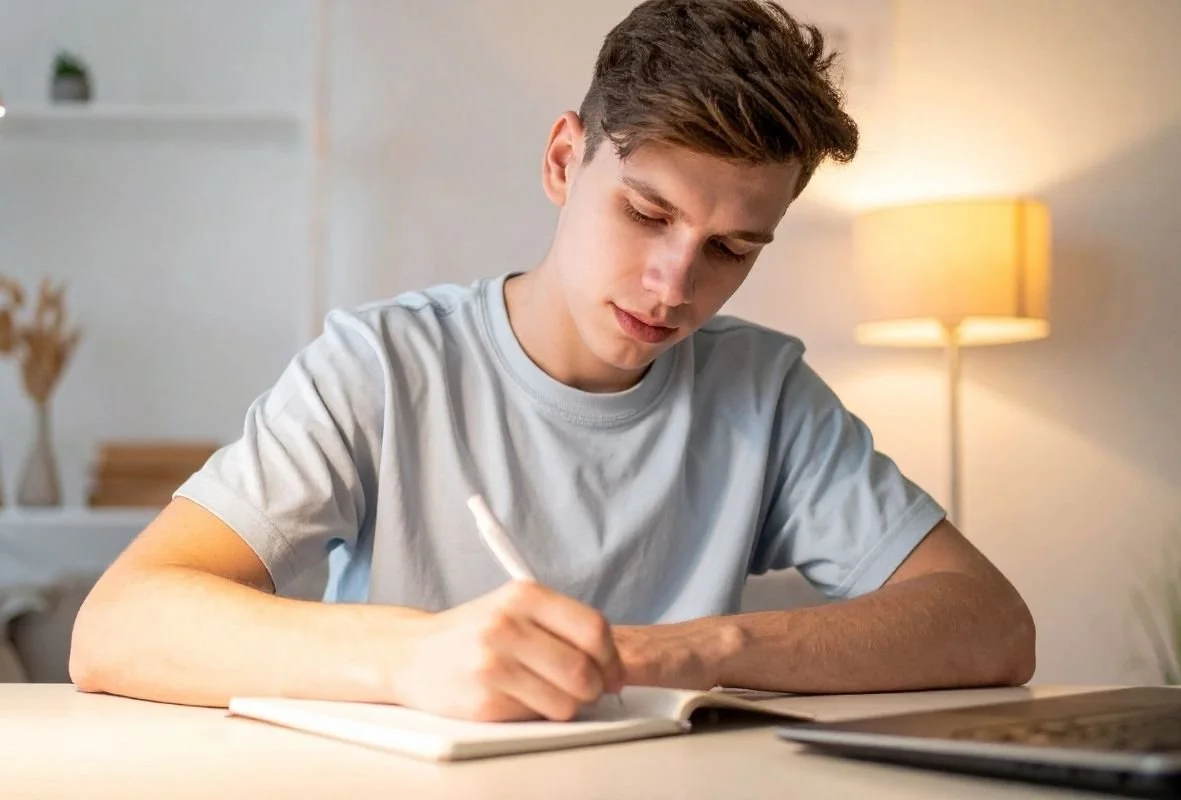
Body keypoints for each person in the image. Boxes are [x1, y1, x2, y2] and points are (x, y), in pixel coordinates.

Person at [70, 0, 1035, 723]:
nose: (673, 284)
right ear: (565, 161)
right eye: (648, 214)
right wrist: (412, 658)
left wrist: (690, 649)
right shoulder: (381, 366)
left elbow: (991, 624)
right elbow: (118, 625)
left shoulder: (764, 392)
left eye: (733, 249)